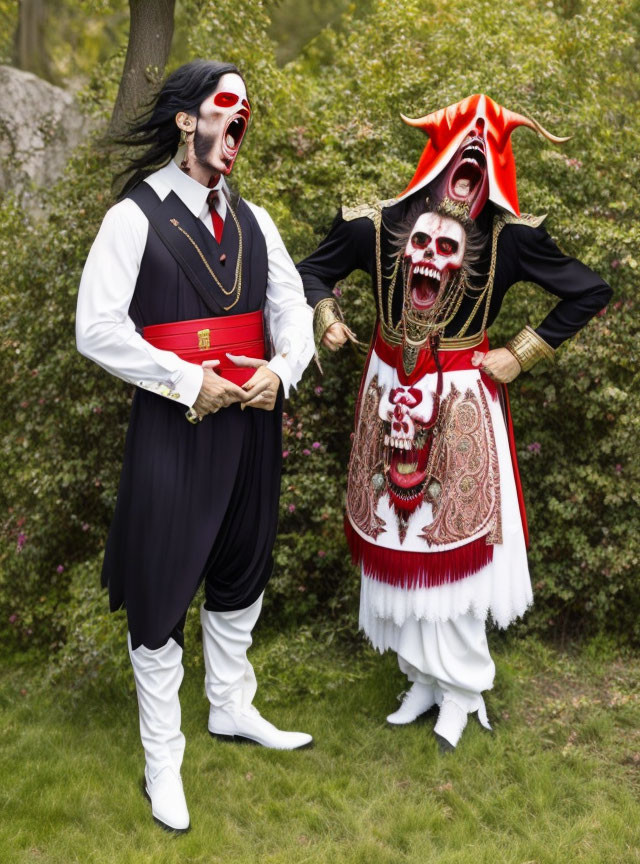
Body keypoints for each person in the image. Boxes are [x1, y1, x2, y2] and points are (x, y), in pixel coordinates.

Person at [298, 94, 611, 753]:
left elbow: (589, 290)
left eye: (486, 148)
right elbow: (311, 270)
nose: (471, 160)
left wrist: (519, 353)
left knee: (452, 544)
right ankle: (419, 678)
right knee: (397, 542)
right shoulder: (377, 225)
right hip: (386, 396)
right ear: (436, 155)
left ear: (498, 165)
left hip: (464, 401)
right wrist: (326, 317)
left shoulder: (512, 239)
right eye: (460, 146)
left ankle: (463, 694)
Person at [76, 59, 314, 833]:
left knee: (243, 571)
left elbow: (292, 311)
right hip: (174, 429)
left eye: (248, 108)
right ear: (187, 120)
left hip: (252, 423)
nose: (240, 118)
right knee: (162, 589)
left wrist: (283, 370)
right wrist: (184, 382)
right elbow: (97, 329)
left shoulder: (256, 219)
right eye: (225, 105)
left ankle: (232, 709)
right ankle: (162, 757)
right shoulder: (134, 216)